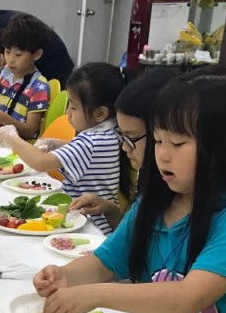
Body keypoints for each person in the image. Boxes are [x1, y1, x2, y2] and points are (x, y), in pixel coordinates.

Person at [33, 71, 226, 313]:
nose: (163, 154)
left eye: (178, 143)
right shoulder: (153, 205)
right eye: (158, 140)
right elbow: (104, 262)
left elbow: (187, 297)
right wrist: (64, 277)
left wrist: (93, 294)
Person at [0, 62, 126, 235]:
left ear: (100, 114)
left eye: (73, 107)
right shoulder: (109, 133)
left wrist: (12, 138)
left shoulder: (91, 141)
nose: (67, 113)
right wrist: (59, 145)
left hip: (90, 226)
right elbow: (89, 155)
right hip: (93, 221)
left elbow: (41, 163)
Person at [69, 68, 175, 231]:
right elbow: (131, 235)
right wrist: (109, 209)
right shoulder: (147, 177)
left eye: (131, 137)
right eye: (122, 135)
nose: (124, 146)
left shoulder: (175, 192)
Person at [0, 13, 50, 139]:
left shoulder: (39, 87)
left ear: (37, 54)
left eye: (18, 54)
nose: (10, 60)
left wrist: (4, 119)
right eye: (7, 51)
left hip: (16, 145)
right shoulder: (4, 73)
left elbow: (30, 131)